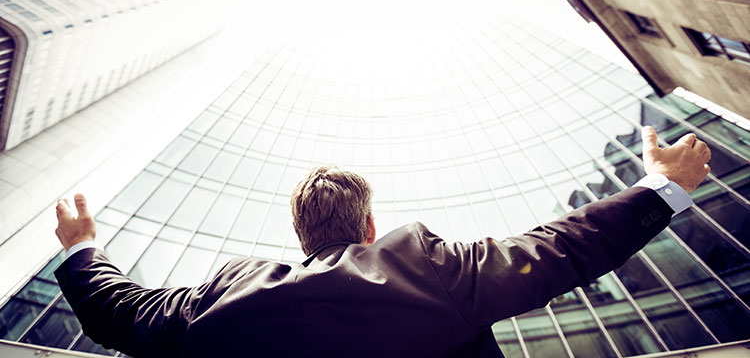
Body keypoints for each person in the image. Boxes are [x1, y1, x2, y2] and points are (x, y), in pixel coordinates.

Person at [53, 126, 711, 357]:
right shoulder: (429, 270)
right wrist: (662, 187)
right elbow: (562, 247)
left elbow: (119, 313)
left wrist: (83, 247)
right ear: (369, 229)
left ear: (301, 238)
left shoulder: (221, 302)